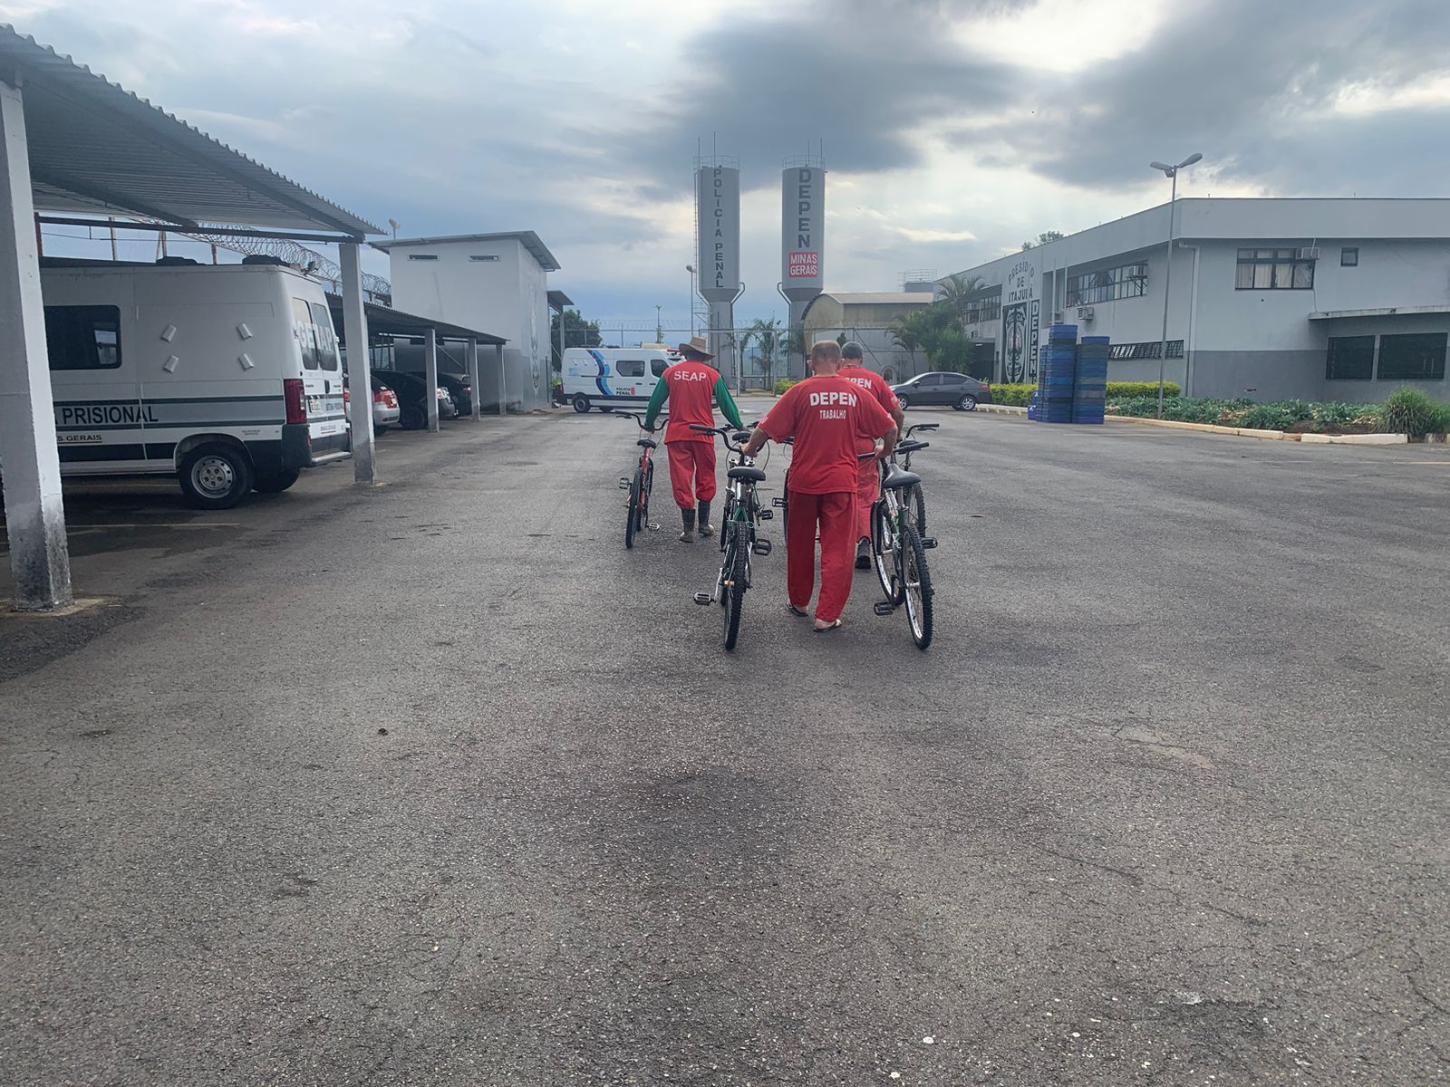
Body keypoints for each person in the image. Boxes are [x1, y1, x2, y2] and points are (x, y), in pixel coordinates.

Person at [742, 340, 897, 632]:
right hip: (841, 482)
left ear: (811, 363)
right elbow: (890, 427)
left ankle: (799, 603)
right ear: (839, 364)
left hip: (803, 482)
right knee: (839, 550)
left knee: (800, 546)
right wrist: (884, 452)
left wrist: (750, 449)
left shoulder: (799, 392)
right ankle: (826, 615)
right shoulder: (856, 393)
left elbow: (765, 429)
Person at [643, 336, 744, 542]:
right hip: (704, 434)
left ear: (686, 353)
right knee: (706, 476)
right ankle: (704, 525)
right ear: (703, 356)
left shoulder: (670, 373)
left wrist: (649, 422)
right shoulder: (712, 375)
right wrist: (739, 426)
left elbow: (654, 403)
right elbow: (727, 405)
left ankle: (688, 530)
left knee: (682, 479)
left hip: (678, 435)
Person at [838, 341, 905, 569]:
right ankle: (865, 541)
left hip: (833, 447)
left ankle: (837, 543)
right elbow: (897, 412)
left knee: (835, 495)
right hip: (864, 448)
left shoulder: (833, 378)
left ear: (842, 359)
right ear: (861, 359)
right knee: (865, 496)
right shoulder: (874, 380)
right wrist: (894, 439)